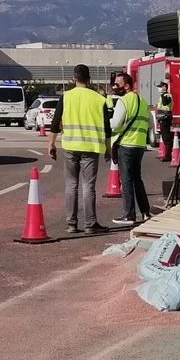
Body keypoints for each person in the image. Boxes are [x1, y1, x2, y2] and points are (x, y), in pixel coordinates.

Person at [48, 64, 112, 233]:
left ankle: (71, 223)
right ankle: (90, 224)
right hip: (91, 147)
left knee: (71, 184)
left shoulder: (66, 96)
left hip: (70, 146)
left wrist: (51, 143)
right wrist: (108, 148)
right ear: (89, 79)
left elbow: (55, 122)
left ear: (73, 79)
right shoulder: (99, 99)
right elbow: (107, 127)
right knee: (88, 186)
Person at [109, 72, 152, 225]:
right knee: (137, 179)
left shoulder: (124, 101)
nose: (115, 86)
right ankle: (145, 212)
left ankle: (129, 215)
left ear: (126, 86)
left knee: (126, 180)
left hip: (126, 145)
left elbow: (115, 124)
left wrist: (106, 120)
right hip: (139, 145)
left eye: (117, 84)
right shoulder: (142, 101)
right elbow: (151, 124)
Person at [155, 80, 173, 161]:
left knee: (167, 138)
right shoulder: (163, 95)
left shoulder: (167, 95)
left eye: (160, 87)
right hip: (162, 118)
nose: (158, 88)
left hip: (166, 118)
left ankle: (168, 156)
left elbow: (165, 103)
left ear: (164, 87)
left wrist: (163, 94)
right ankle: (167, 154)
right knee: (164, 137)